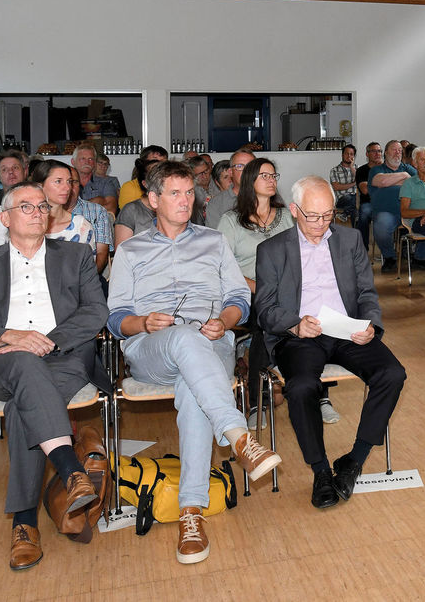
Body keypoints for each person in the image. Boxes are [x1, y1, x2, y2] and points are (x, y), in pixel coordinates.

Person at [108, 161, 280, 564]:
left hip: (210, 343)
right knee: (185, 341)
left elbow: (239, 298)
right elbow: (116, 318)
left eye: (190, 193)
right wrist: (142, 322)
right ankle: (239, 436)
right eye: (174, 193)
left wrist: (225, 321)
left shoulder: (214, 242)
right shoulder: (131, 250)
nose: (186, 201)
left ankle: (190, 513)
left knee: (194, 389)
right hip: (150, 347)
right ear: (153, 200)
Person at [0, 181, 110, 570]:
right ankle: (71, 471)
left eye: (42, 206)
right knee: (23, 365)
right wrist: (9, 336)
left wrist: (48, 343)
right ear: (5, 218)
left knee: (25, 402)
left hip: (64, 357)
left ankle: (24, 524)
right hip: (0, 362)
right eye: (28, 207)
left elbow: (95, 312)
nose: (39, 212)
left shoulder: (75, 255)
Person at [253, 176, 406, 510]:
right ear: (294, 211)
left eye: (328, 216)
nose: (321, 224)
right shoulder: (272, 249)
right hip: (300, 335)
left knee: (392, 374)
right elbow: (264, 309)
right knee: (302, 386)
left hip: (345, 329)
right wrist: (294, 325)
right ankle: (321, 470)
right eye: (312, 216)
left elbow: (367, 293)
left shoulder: (349, 240)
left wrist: (370, 325)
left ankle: (354, 460)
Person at [216, 157, 293, 290]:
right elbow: (222, 266)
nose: (271, 180)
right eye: (265, 176)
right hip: (247, 292)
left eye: (274, 176)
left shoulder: (287, 216)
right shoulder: (231, 220)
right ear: (250, 181)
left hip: (285, 289)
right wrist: (261, 290)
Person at [30, 159, 97, 251]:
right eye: (58, 181)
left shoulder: (81, 226)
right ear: (40, 185)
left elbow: (87, 264)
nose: (67, 187)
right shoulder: (25, 224)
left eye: (69, 181)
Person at [368, 140, 414, 274]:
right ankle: (389, 257)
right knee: (381, 226)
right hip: (386, 212)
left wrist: (391, 181)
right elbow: (381, 181)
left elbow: (418, 183)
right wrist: (404, 177)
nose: (397, 153)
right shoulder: (376, 169)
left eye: (400, 150)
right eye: (394, 150)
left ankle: (420, 258)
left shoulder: (408, 168)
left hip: (409, 211)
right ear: (386, 153)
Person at [398, 147, 425, 267]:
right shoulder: (409, 183)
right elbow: (404, 212)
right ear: (414, 163)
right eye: (422, 160)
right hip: (419, 220)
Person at [70, 142, 118, 215]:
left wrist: (77, 210)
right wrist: (98, 201)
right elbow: (61, 210)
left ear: (95, 163)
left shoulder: (106, 183)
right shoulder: (66, 183)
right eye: (83, 159)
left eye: (90, 159)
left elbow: (111, 210)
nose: (87, 162)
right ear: (73, 162)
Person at [354, 141, 382, 251]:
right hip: (369, 204)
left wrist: (373, 185)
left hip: (386, 203)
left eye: (379, 151)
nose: (377, 154)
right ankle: (363, 250)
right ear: (367, 154)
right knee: (364, 214)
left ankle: (403, 250)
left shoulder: (386, 169)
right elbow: (365, 190)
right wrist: (383, 184)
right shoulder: (362, 170)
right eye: (374, 151)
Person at [330, 144, 358, 222]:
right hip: (342, 199)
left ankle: (345, 213)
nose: (349, 156)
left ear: (354, 156)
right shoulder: (334, 170)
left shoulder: (358, 168)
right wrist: (353, 184)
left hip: (356, 198)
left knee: (355, 208)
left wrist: (352, 168)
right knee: (351, 198)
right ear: (342, 155)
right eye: (346, 153)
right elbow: (336, 187)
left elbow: (360, 181)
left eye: (351, 154)